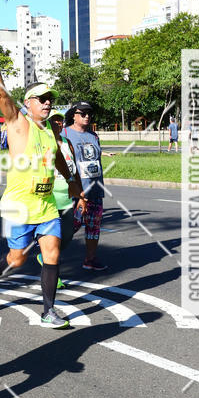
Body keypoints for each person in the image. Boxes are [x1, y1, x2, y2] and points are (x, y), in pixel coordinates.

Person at [0, 35, 82, 328]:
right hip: (20, 205)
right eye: (42, 99)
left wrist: (70, 179)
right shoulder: (17, 123)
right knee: (18, 259)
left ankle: (48, 311)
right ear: (28, 103)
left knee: (52, 253)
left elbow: (58, 158)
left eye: (51, 99)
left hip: (46, 204)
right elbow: (1, 94)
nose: (48, 103)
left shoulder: (50, 130)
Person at [62, 101, 111, 271]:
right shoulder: (64, 133)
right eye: (82, 113)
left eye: (89, 113)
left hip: (95, 188)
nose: (87, 116)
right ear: (73, 115)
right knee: (71, 227)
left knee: (93, 227)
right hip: (76, 190)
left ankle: (90, 259)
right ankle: (48, 254)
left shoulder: (94, 135)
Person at [37, 113, 84, 287]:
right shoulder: (43, 142)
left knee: (67, 236)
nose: (58, 123)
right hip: (48, 199)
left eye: (60, 120)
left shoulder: (66, 143)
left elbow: (75, 170)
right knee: (53, 242)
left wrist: (80, 194)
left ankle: (46, 259)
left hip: (66, 199)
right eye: (54, 120)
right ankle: (53, 277)